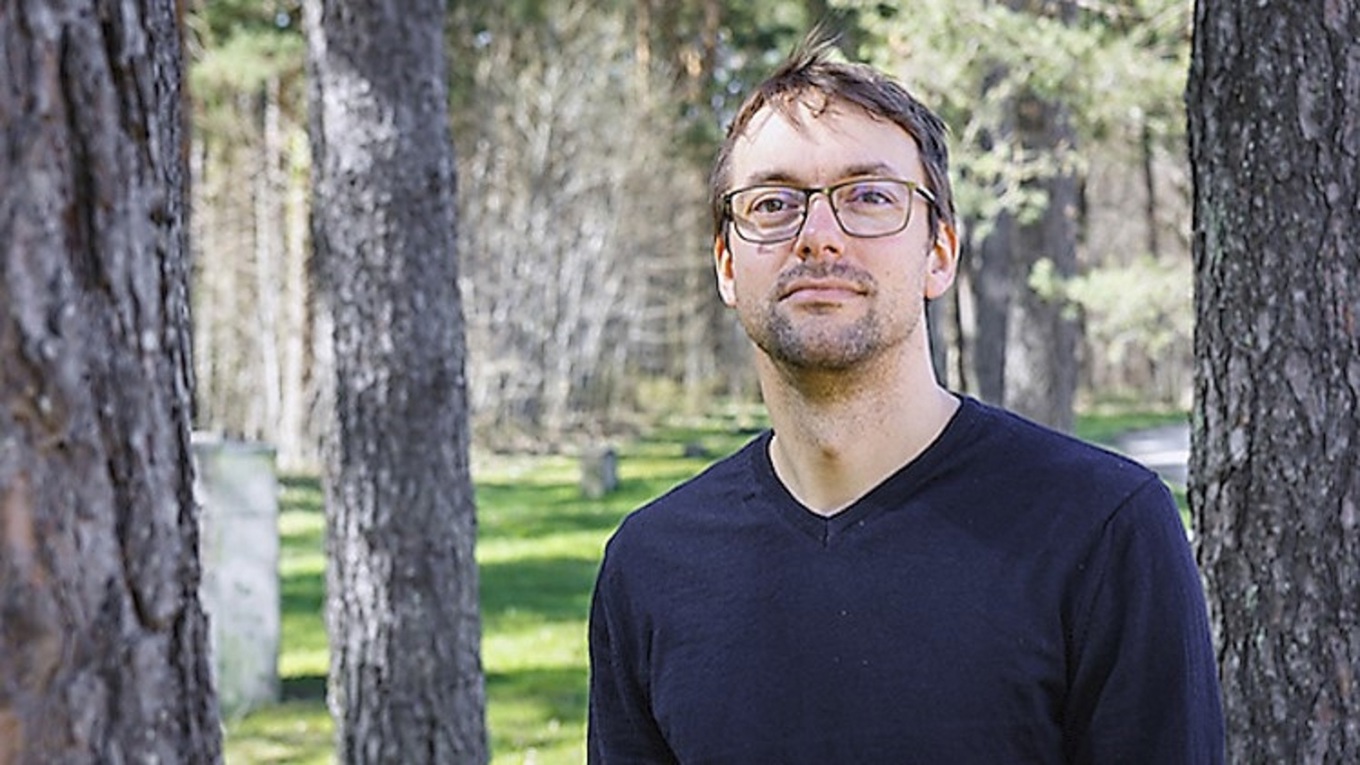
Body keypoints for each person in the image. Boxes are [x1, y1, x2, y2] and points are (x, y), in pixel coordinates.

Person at [587, 31, 1224, 764]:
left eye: (868, 196)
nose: (818, 235)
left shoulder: (1101, 529)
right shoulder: (651, 564)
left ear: (939, 252)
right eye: (772, 203)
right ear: (728, 266)